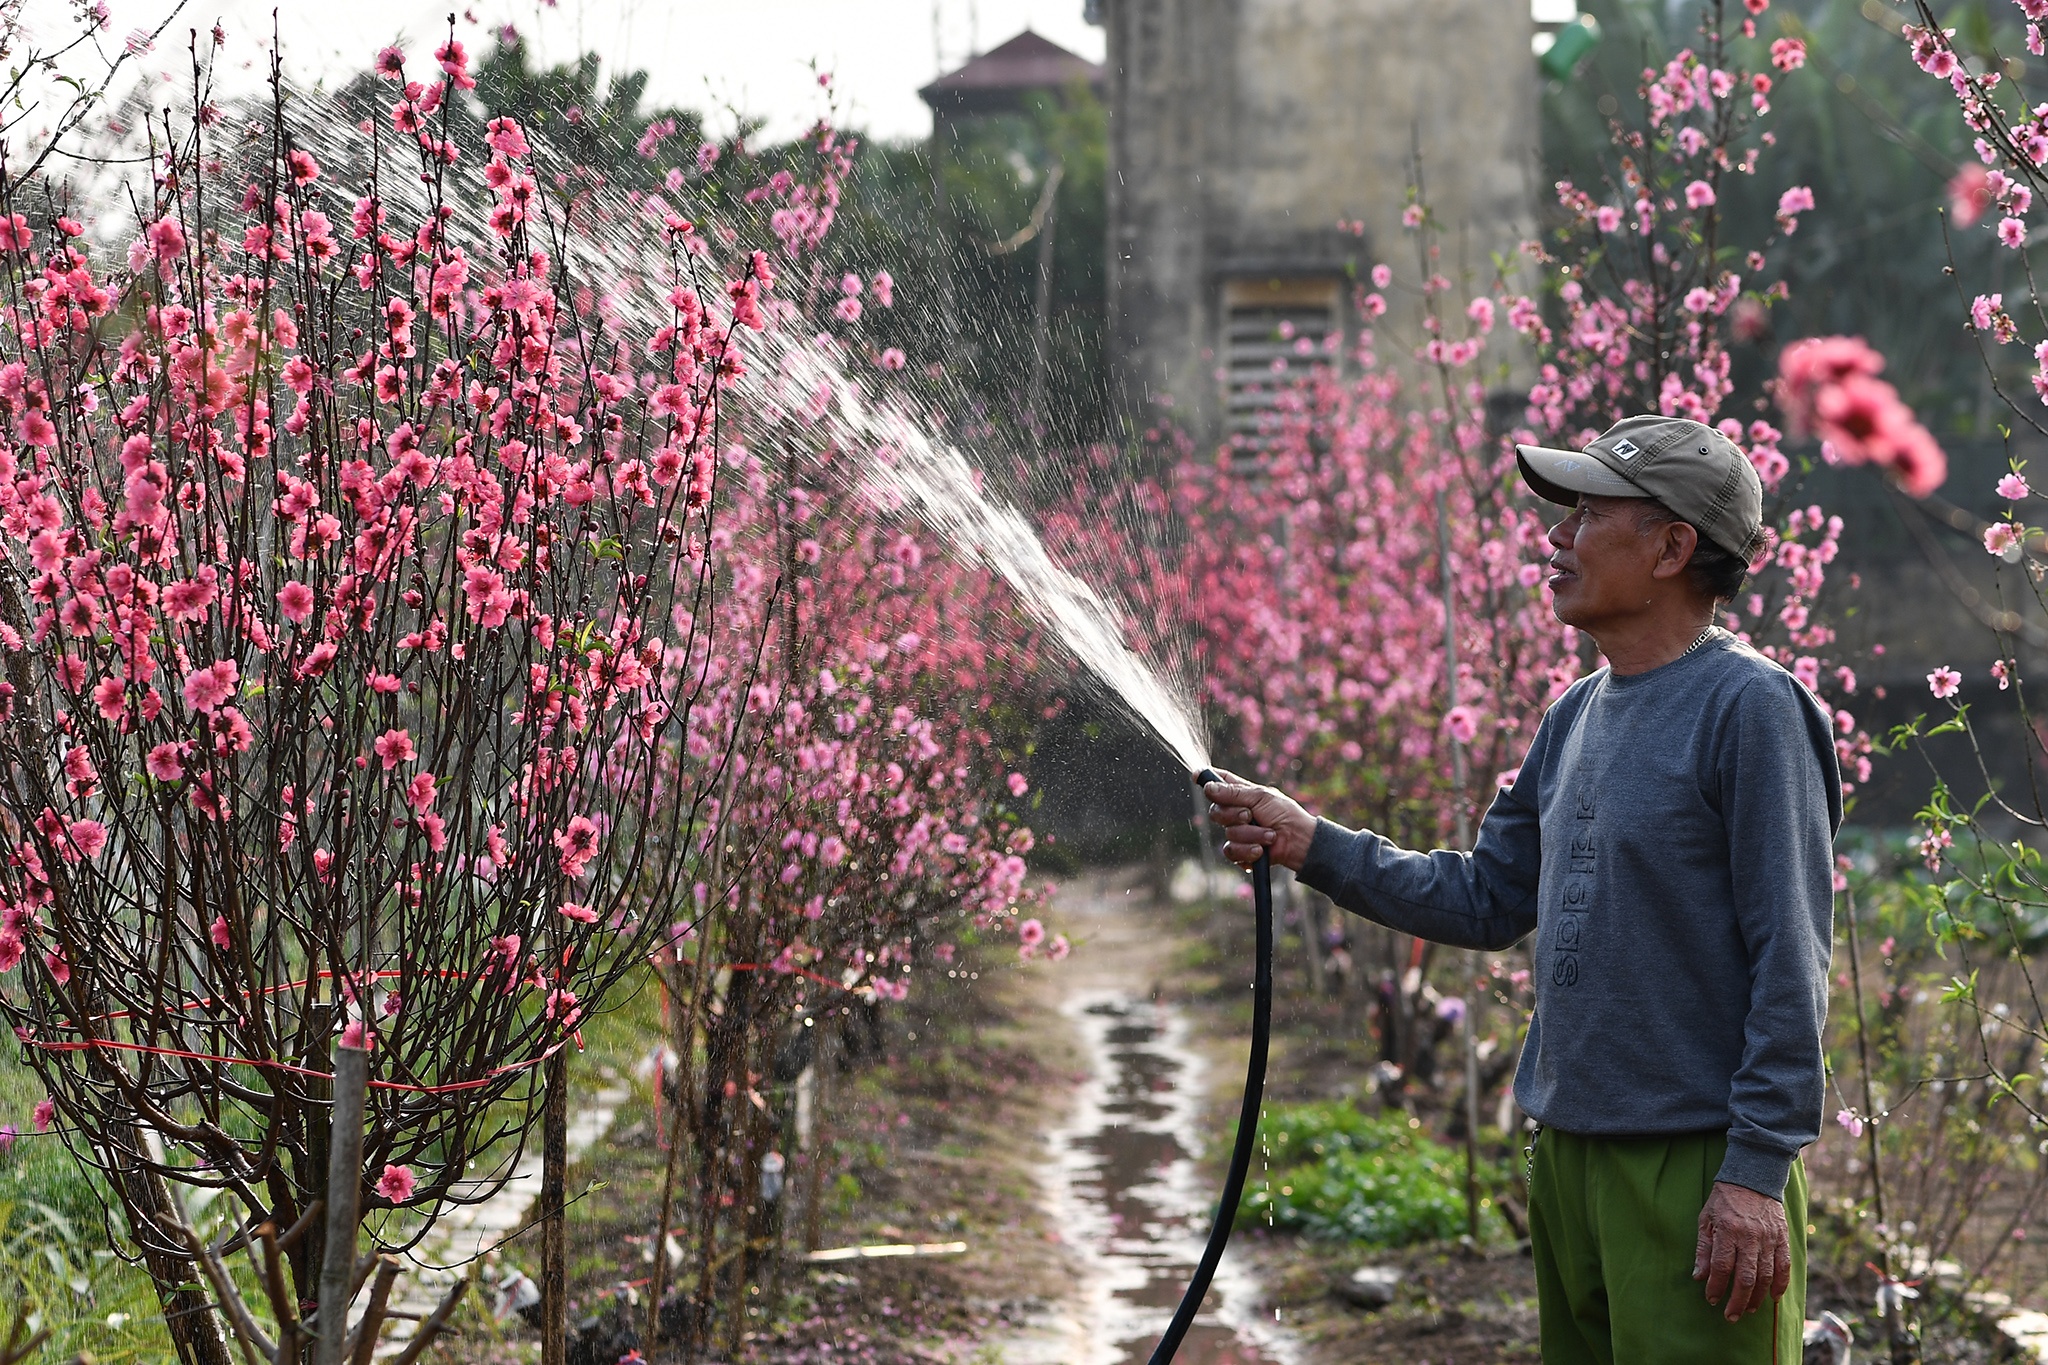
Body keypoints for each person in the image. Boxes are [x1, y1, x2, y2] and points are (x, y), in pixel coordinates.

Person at [1205, 414, 1840, 1364]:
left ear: (1673, 546)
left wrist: (1754, 1170)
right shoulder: (1576, 713)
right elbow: (1486, 897)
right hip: (1569, 1149)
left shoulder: (1750, 710)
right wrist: (1312, 843)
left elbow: (1793, 959)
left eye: (1587, 514)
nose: (1555, 537)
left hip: (1692, 1160)